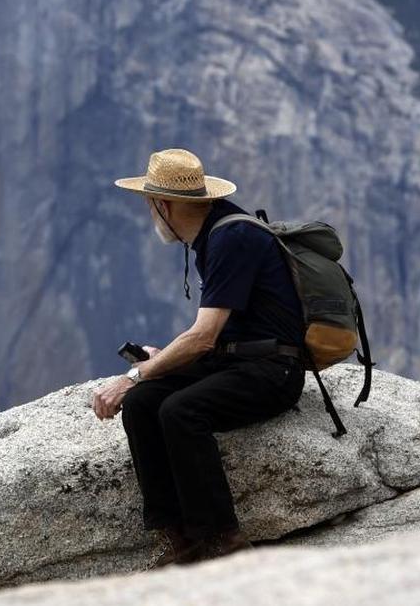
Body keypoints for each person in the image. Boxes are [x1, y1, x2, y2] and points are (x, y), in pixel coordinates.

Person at [91, 147, 307, 567]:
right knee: (142, 405)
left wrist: (135, 374)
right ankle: (180, 538)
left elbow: (203, 337)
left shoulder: (231, 237)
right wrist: (160, 360)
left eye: (151, 206)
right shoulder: (213, 234)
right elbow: (211, 335)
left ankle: (224, 542)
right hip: (239, 360)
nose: (151, 215)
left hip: (273, 370)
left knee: (179, 410)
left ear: (163, 204)